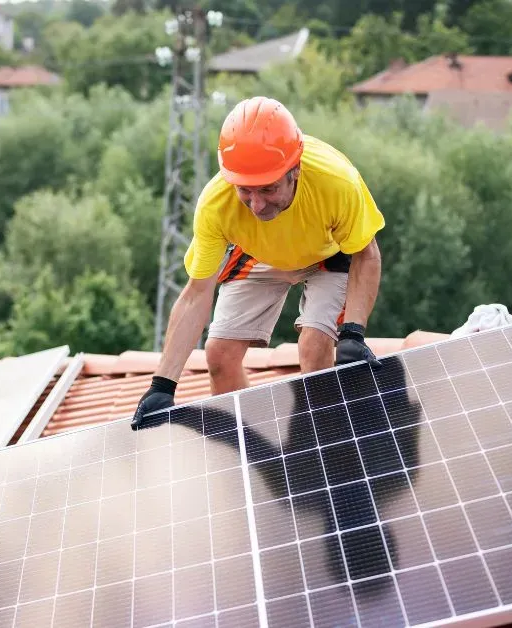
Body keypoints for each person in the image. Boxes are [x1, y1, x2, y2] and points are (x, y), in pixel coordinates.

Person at [132, 96, 385, 429]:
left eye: (268, 189)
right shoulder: (216, 204)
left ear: (294, 170)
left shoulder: (336, 182)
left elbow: (367, 255)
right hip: (260, 253)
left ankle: (327, 447)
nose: (256, 205)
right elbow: (197, 293)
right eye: (245, 191)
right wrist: (162, 384)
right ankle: (247, 462)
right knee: (219, 355)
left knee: (314, 347)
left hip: (328, 252)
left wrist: (353, 332)